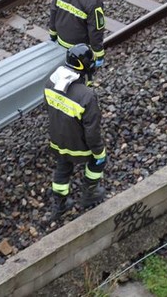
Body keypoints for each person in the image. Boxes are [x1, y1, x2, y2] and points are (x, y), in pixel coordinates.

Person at [43, 43, 107, 221]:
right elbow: (92, 131)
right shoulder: (87, 96)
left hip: (57, 141)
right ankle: (90, 192)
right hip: (79, 146)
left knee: (62, 169)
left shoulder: (51, 82)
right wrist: (98, 151)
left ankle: (60, 203)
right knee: (98, 162)